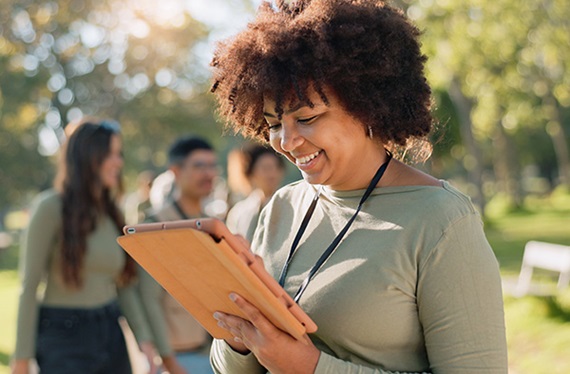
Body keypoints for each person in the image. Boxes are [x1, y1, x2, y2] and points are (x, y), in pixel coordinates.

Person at [208, 1, 508, 373]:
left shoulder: (442, 221)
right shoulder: (282, 207)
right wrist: (239, 336)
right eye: (272, 123)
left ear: (367, 106)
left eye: (307, 118)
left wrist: (311, 367)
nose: (286, 141)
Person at [12, 119, 156, 374]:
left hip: (110, 329)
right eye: (111, 154)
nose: (119, 162)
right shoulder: (50, 208)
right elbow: (29, 285)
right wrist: (21, 360)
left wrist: (143, 338)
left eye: (119, 154)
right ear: (88, 157)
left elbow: (122, 283)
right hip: (64, 335)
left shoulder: (112, 213)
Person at [137, 135, 217, 374]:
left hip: (215, 352)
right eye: (199, 166)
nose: (208, 173)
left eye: (212, 166)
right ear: (175, 171)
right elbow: (148, 297)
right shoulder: (156, 224)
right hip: (179, 358)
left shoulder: (214, 224)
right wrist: (168, 360)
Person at [226, 143, 286, 241]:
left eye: (276, 167)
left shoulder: (290, 205)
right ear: (251, 172)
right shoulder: (238, 212)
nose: (272, 174)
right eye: (265, 168)